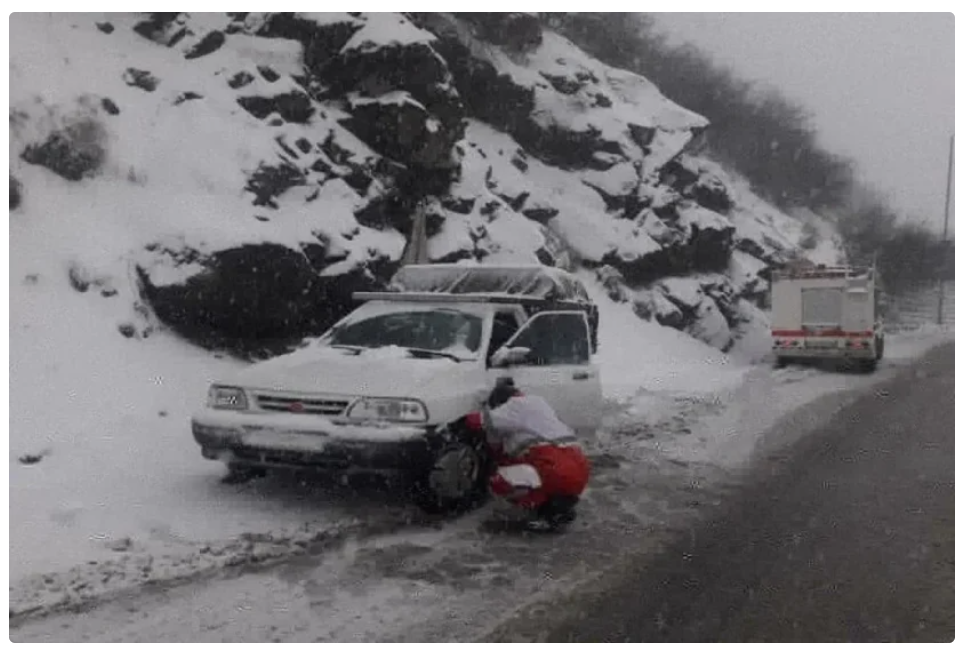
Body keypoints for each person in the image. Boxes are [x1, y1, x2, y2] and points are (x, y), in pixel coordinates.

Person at [466, 376, 590, 530]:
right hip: (579, 467)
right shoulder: (540, 403)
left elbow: (476, 421)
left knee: (498, 479)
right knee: (543, 475)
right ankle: (557, 509)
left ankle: (529, 512)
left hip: (553, 467)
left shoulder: (514, 405)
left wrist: (461, 418)